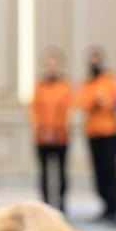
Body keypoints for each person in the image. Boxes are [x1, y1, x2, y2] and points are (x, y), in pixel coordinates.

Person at [77, 47, 116, 222]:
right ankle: (104, 204)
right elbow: (83, 103)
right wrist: (97, 100)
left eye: (97, 59)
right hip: (93, 133)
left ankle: (113, 207)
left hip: (110, 132)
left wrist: (99, 101)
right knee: (98, 172)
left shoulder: (109, 80)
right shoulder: (87, 83)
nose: (94, 62)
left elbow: (110, 101)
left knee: (110, 170)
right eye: (91, 59)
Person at [30, 50, 72, 212]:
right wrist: (43, 129)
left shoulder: (65, 87)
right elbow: (35, 110)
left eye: (54, 64)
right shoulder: (39, 87)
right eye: (49, 64)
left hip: (61, 137)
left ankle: (61, 204)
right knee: (44, 173)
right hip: (42, 137)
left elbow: (66, 110)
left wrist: (57, 129)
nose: (51, 68)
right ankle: (45, 204)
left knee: (61, 172)